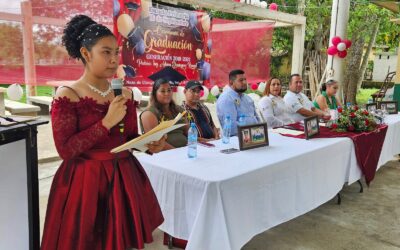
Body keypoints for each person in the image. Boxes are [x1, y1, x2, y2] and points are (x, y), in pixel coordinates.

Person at [41, 15, 164, 250]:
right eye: (105, 52)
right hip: (85, 183)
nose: (113, 59)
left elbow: (126, 139)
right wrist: (105, 122)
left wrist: (147, 144)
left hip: (124, 178)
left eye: (116, 53)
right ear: (86, 54)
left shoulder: (124, 94)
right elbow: (65, 150)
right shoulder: (68, 94)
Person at [140, 78, 188, 150]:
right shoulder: (149, 114)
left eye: (169, 90)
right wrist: (178, 153)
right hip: (165, 155)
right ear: (154, 94)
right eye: (162, 91)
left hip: (186, 150)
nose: (167, 93)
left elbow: (188, 133)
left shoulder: (179, 110)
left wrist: (202, 142)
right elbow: (155, 142)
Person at [216, 69, 259, 136]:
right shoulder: (226, 99)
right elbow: (231, 128)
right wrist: (252, 130)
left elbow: (256, 118)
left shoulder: (247, 98)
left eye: (245, 79)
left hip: (255, 135)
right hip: (237, 139)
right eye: (241, 80)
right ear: (231, 83)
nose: (245, 82)